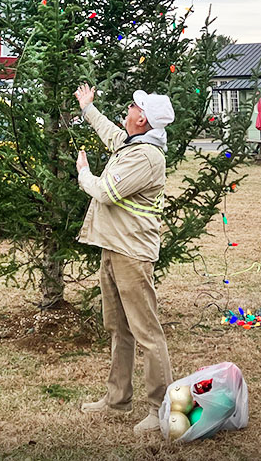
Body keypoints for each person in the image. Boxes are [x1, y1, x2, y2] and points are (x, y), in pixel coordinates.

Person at [73, 82, 175, 435]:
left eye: (134, 107)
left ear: (143, 120)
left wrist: (83, 173)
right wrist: (88, 108)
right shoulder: (134, 143)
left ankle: (161, 407)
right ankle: (117, 399)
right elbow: (111, 134)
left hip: (132, 252)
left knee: (147, 332)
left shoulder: (145, 156)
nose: (128, 110)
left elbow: (106, 192)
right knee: (119, 327)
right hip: (114, 247)